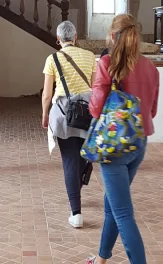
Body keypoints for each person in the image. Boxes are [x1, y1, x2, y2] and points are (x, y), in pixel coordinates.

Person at [86, 14, 159, 264]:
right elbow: (152, 111)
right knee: (112, 206)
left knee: (123, 213)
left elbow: (96, 108)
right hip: (139, 142)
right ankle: (101, 259)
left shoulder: (108, 63)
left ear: (113, 36)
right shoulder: (150, 67)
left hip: (114, 146)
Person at [42, 20, 96, 229]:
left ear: (58, 39)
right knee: (82, 156)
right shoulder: (90, 56)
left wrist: (45, 114)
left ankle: (76, 212)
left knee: (69, 160)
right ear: (75, 38)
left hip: (64, 114)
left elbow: (47, 94)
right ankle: (76, 190)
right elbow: (94, 87)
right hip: (87, 112)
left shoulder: (52, 58)